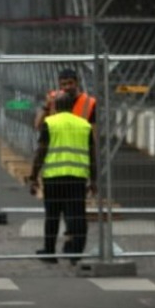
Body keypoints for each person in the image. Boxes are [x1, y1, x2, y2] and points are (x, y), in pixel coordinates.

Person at [29, 91, 96, 264]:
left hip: (54, 177)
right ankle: (76, 252)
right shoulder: (84, 125)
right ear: (72, 107)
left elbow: (41, 151)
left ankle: (49, 252)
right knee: (77, 215)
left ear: (55, 107)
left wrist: (33, 176)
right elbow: (92, 154)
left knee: (52, 216)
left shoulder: (50, 123)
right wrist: (94, 179)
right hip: (77, 177)